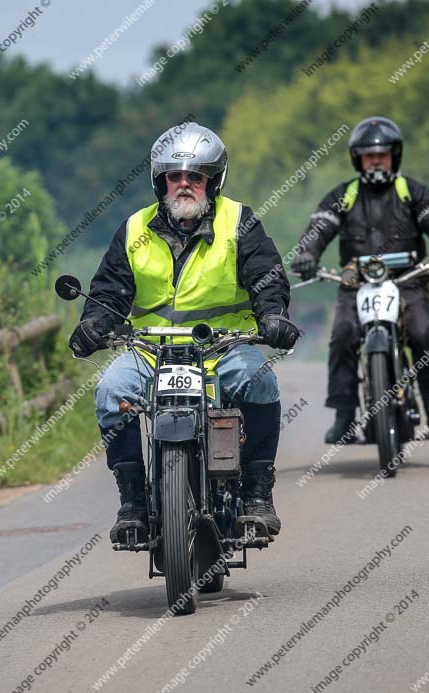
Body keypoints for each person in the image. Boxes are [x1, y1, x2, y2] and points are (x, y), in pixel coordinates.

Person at [69, 122, 299, 543]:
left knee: (260, 382)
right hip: (152, 352)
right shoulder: (135, 229)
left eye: (195, 176)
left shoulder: (239, 222)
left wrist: (273, 315)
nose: (185, 184)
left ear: (212, 180)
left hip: (223, 349)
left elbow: (266, 275)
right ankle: (133, 501)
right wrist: (92, 325)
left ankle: (256, 496)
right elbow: (109, 291)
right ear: (161, 181)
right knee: (109, 391)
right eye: (175, 176)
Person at [291, 116, 429, 443]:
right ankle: (344, 415)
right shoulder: (343, 195)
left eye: (382, 154)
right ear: (357, 159)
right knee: (343, 334)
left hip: (408, 281)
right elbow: (319, 229)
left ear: (394, 156)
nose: (375, 160)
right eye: (368, 155)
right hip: (355, 283)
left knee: (421, 334)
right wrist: (307, 254)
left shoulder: (411, 191)